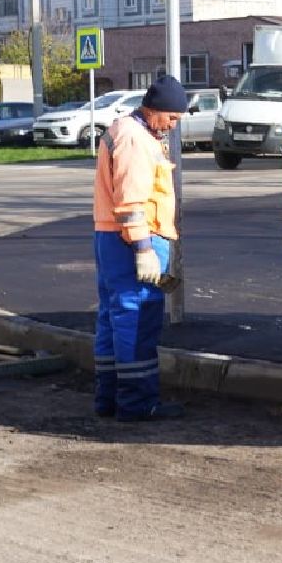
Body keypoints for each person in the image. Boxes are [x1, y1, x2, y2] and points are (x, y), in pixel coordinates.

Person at [91, 74, 187, 421]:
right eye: (171, 118)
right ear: (153, 110)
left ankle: (108, 399)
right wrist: (144, 249)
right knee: (137, 318)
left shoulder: (126, 130)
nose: (173, 126)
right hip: (132, 240)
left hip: (111, 237)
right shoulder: (136, 139)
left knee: (112, 317)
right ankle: (137, 404)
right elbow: (131, 202)